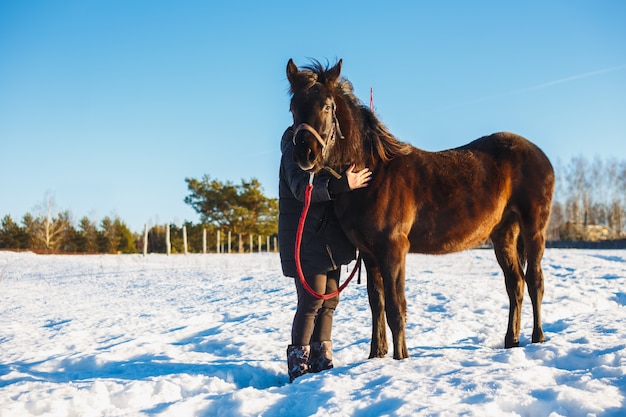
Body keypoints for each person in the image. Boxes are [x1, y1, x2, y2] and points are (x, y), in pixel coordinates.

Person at [278, 125, 372, 382]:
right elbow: (303, 189)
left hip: (329, 241)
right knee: (311, 302)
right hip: (306, 240)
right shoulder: (294, 153)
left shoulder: (326, 153)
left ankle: (322, 360)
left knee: (330, 302)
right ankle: (299, 367)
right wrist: (343, 184)